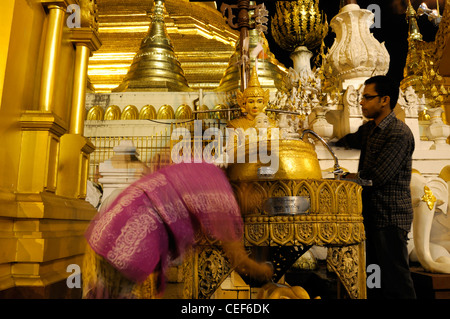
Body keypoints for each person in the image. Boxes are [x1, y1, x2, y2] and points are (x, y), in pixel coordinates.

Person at [82, 162, 273, 299]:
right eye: (258, 193)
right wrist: (265, 270)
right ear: (245, 186)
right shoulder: (222, 196)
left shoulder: (208, 173)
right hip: (126, 246)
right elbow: (239, 259)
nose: (258, 202)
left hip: (104, 233)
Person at [335, 75, 416, 299]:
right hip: (369, 218)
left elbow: (378, 177)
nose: (361, 102)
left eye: (367, 98)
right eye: (362, 97)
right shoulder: (370, 130)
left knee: (397, 280)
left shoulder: (398, 133)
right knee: (373, 279)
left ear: (384, 100)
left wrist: (348, 178)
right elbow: (344, 141)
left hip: (390, 218)